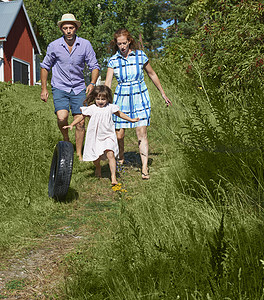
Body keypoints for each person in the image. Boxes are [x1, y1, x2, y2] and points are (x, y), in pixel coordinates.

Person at [105, 28, 172, 180]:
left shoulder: (140, 56)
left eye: (124, 43)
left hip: (140, 96)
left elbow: (152, 74)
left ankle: (144, 167)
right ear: (116, 44)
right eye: (119, 43)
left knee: (141, 132)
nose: (122, 46)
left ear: (129, 42)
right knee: (119, 134)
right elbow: (108, 83)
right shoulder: (113, 60)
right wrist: (105, 102)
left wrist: (162, 93)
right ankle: (121, 158)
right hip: (121, 98)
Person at [40, 13, 100, 161]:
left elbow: (94, 66)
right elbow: (45, 67)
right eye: (65, 28)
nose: (68, 31)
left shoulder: (85, 44)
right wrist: (44, 89)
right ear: (61, 29)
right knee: (62, 117)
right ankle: (66, 139)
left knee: (80, 122)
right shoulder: (54, 46)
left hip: (79, 87)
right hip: (60, 86)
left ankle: (79, 154)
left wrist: (92, 83)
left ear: (75, 28)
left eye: (71, 27)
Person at [63, 85, 140, 185]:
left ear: (107, 99)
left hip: (108, 135)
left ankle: (113, 177)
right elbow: (81, 117)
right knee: (96, 157)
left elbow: (120, 114)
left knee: (110, 154)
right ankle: (98, 167)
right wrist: (71, 124)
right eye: (98, 98)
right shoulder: (92, 108)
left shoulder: (110, 107)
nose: (100, 101)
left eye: (103, 99)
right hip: (95, 136)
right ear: (94, 98)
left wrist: (131, 119)